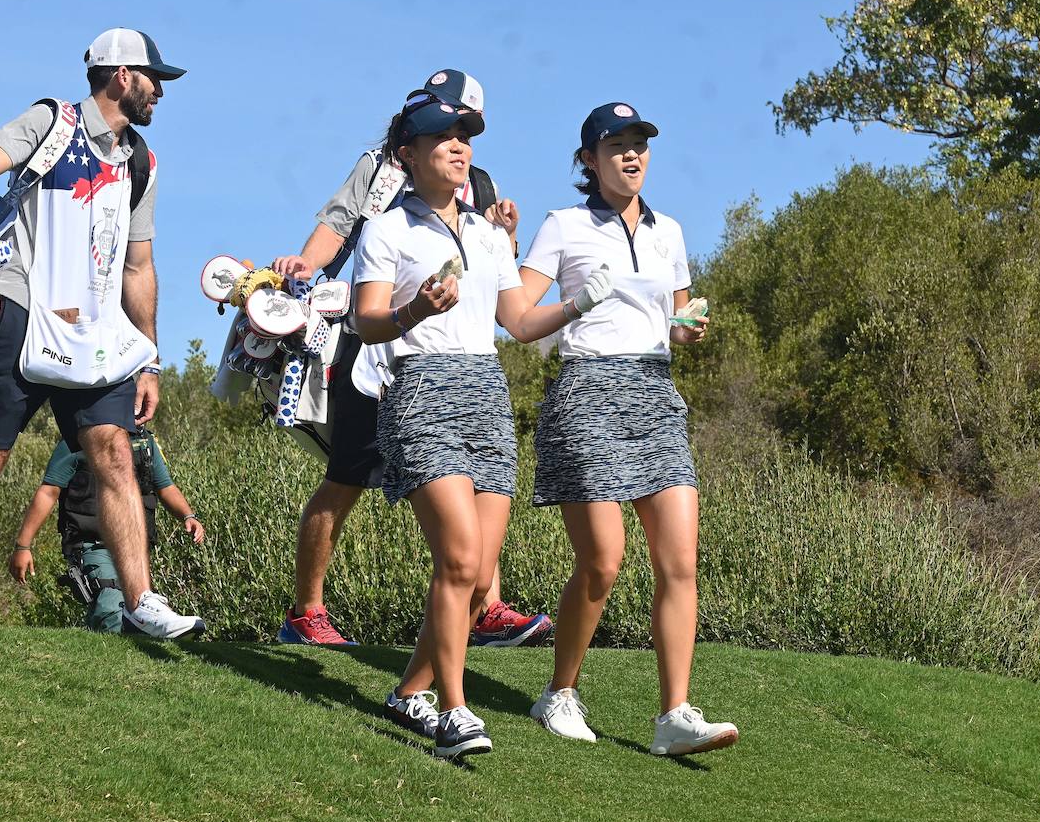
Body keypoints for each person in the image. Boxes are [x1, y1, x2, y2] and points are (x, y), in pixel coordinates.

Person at [0, 28, 204, 639]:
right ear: (120, 76)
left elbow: (139, 265)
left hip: (97, 333)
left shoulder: (142, 161)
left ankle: (139, 600)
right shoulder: (53, 122)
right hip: (20, 308)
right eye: (153, 78)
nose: (160, 91)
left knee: (113, 451)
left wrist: (152, 360)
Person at [352, 94, 611, 758]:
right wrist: (412, 312)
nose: (459, 144)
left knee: (476, 572)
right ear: (407, 155)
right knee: (460, 558)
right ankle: (455, 714)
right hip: (420, 391)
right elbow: (365, 321)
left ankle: (410, 690)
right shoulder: (386, 231)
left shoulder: (489, 235)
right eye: (442, 136)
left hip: (487, 396)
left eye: (464, 135)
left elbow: (520, 324)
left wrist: (580, 301)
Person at [270, 69, 552, 648]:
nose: (457, 134)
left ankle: (487, 607)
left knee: (477, 483)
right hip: (380, 349)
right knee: (347, 474)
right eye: (444, 117)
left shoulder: (480, 183)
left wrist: (511, 239)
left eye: (465, 123)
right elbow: (337, 223)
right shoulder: (378, 167)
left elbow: (496, 279)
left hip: (460, 363)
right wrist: (305, 264)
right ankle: (307, 611)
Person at [519, 102, 739, 756]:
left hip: (654, 392)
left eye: (639, 143)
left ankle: (674, 714)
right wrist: (579, 302)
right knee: (603, 561)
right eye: (615, 145)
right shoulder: (563, 225)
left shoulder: (669, 231)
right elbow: (522, 316)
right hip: (587, 390)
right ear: (588, 160)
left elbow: (675, 320)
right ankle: (559, 692)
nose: (631, 154)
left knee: (681, 561)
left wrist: (689, 327)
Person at [8, 427, 205, 632]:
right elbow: (48, 491)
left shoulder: (144, 442)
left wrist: (188, 516)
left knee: (140, 608)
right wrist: (23, 546)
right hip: (93, 544)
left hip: (134, 551)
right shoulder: (77, 440)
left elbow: (165, 486)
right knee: (113, 607)